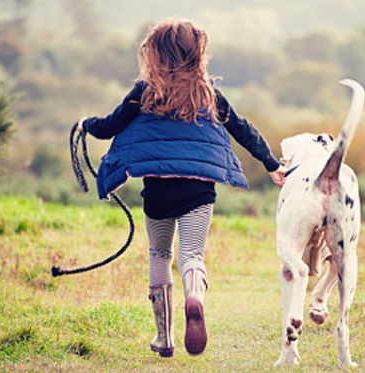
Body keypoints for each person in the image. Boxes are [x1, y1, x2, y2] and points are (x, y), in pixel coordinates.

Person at [77, 18, 287, 358]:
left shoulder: (144, 93)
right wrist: (273, 165)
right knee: (192, 255)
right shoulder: (209, 95)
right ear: (196, 54)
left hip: (158, 190)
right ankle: (195, 297)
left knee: (160, 254)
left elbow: (109, 126)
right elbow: (244, 130)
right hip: (198, 190)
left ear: (155, 55)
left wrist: (85, 124)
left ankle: (164, 337)